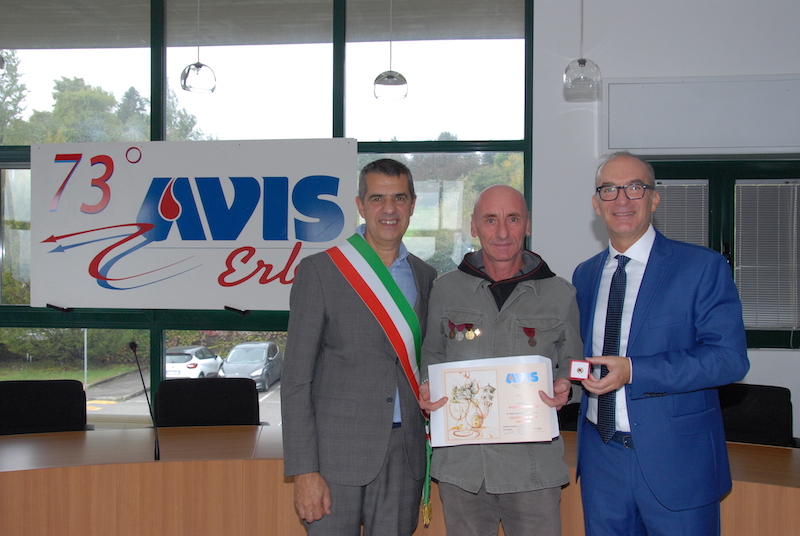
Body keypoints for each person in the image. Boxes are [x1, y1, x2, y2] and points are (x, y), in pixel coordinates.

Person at [572, 151, 750, 536]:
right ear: (596, 204)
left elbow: (729, 359)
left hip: (678, 461)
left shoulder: (701, 267)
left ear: (654, 198)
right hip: (601, 457)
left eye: (635, 188)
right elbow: (585, 355)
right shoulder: (585, 275)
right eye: (609, 189)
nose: (622, 199)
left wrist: (634, 370)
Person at [280, 158, 437, 536]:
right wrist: (304, 470)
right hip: (335, 458)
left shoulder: (427, 276)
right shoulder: (320, 272)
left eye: (399, 198)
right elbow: (296, 379)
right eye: (377, 198)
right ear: (360, 205)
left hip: (404, 456)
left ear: (412, 205)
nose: (389, 209)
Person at [419, 185, 582, 536]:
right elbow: (432, 353)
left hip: (533, 469)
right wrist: (426, 385)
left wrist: (567, 386)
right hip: (465, 468)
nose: (503, 232)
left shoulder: (560, 293)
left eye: (513, 219)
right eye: (491, 220)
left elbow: (574, 362)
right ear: (474, 226)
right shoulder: (445, 289)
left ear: (528, 224)